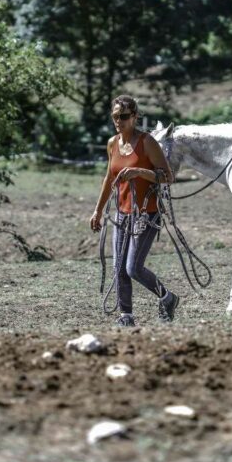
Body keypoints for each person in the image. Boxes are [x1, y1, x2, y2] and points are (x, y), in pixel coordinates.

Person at [89, 95, 179, 326]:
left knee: (133, 267)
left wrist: (140, 172)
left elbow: (167, 177)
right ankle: (126, 316)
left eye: (124, 116)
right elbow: (109, 178)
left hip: (146, 213)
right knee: (118, 267)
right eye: (115, 116)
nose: (119, 121)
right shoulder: (112, 143)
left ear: (135, 117)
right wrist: (98, 211)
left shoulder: (147, 142)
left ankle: (167, 297)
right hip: (121, 212)